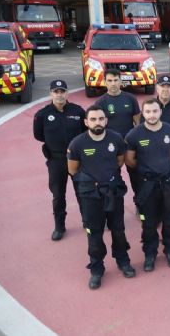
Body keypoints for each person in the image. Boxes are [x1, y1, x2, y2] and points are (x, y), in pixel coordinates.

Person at [67, 106, 134, 289]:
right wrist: (93, 183)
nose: (98, 122)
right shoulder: (77, 143)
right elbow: (72, 170)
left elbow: (119, 161)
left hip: (113, 192)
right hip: (90, 196)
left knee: (118, 229)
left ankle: (123, 260)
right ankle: (97, 268)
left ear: (106, 120)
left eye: (101, 119)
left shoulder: (116, 139)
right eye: (93, 119)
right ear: (86, 122)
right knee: (94, 233)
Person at [125, 99, 170, 271]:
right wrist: (147, 170)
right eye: (148, 112)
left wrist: (162, 168)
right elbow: (130, 160)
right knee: (148, 222)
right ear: (143, 113)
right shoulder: (134, 134)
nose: (151, 115)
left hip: (168, 183)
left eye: (155, 111)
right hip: (146, 186)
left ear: (160, 112)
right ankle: (150, 253)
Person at [33, 80, 86, 240]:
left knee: (83, 192)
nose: (59, 95)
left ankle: (88, 220)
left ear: (67, 93)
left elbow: (85, 133)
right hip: (56, 161)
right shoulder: (42, 114)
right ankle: (59, 226)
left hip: (77, 160)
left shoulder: (78, 111)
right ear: (51, 94)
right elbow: (38, 135)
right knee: (58, 195)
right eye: (56, 92)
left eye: (62, 91)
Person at [95, 69, 141, 197]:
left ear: (120, 81)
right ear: (105, 82)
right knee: (112, 177)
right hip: (111, 147)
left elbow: (138, 123)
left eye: (116, 80)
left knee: (136, 176)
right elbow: (98, 127)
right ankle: (114, 206)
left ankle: (139, 204)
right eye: (110, 81)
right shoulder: (100, 102)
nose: (113, 83)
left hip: (130, 145)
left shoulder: (130, 98)